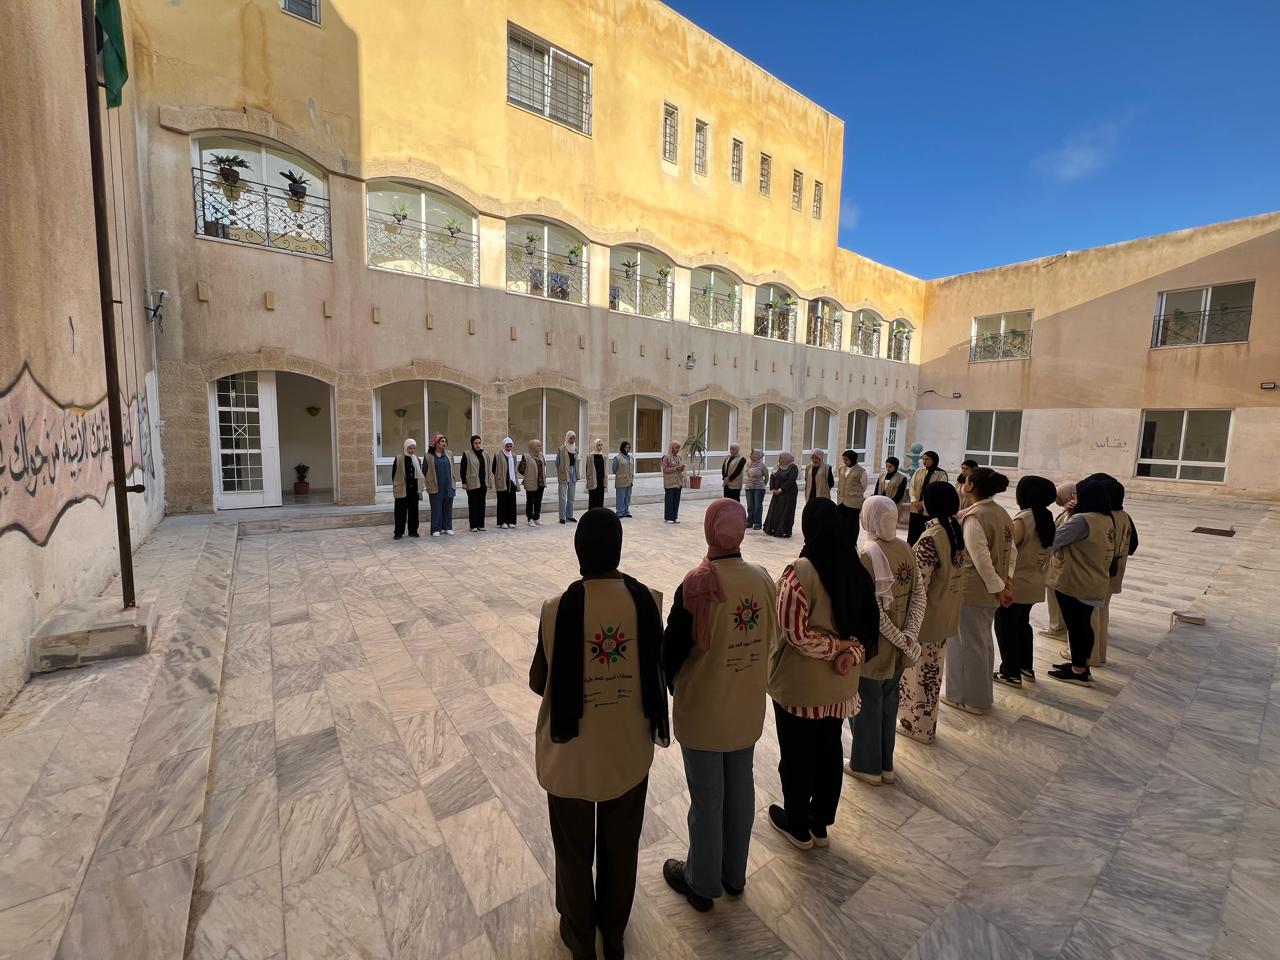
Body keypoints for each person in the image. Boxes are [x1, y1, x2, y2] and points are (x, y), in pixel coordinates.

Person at [528, 509, 668, 960]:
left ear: (579, 552)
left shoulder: (556, 609)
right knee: (621, 845)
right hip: (628, 751)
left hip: (571, 756)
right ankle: (614, 932)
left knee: (572, 851)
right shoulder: (648, 601)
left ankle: (579, 934)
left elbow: (539, 682)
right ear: (619, 549)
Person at [660, 499, 776, 910]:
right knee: (740, 789)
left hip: (706, 710)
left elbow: (670, 654)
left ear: (710, 530)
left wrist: (670, 683)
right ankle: (733, 874)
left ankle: (702, 881)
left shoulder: (697, 585)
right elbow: (772, 638)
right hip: (746, 705)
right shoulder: (762, 579)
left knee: (708, 797)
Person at [766, 498, 880, 849]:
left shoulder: (800, 572)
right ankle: (820, 822)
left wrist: (836, 648)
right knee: (829, 751)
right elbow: (868, 628)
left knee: (797, 756)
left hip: (801, 687)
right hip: (840, 686)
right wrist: (851, 651)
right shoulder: (855, 568)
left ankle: (798, 825)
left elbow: (795, 635)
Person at [848, 496, 925, 784]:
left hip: (875, 648)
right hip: (900, 648)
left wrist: (901, 639)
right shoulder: (906, 548)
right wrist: (909, 636)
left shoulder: (865, 557)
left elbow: (874, 614)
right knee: (889, 704)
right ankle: (886, 765)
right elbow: (919, 596)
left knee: (866, 705)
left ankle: (867, 767)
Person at [898, 482, 967, 744]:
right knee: (932, 673)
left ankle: (917, 727)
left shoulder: (931, 538)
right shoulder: (953, 529)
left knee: (918, 675)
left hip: (925, 619)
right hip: (944, 613)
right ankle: (926, 725)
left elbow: (919, 585)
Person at [941, 466, 1013, 714]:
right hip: (991, 587)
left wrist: (999, 588)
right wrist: (1005, 583)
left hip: (972, 590)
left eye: (967, 480)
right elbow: (1011, 553)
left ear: (970, 486)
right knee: (981, 642)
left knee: (966, 645)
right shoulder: (1000, 513)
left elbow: (980, 559)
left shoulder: (975, 518)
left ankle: (967, 698)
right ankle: (980, 696)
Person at [1046, 475, 1120, 685]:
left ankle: (1078, 671)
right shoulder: (1106, 518)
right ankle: (1081, 665)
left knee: (1077, 626)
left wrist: (1069, 516)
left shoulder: (1082, 520)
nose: (1075, 499)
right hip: (1094, 579)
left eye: (1078, 495)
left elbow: (1054, 539)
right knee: (1084, 625)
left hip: (1075, 581)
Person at [993, 476, 1057, 687]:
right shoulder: (1046, 517)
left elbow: (1006, 551)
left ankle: (1010, 672)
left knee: (1006, 627)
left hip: (1015, 584)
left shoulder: (1023, 521)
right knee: (1022, 625)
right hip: (1033, 582)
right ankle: (1025, 667)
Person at [1074, 475, 1138, 667]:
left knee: (1090, 615)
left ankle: (1091, 656)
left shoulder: (1102, 518)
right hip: (1116, 569)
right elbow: (1133, 545)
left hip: (1099, 570)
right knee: (1102, 610)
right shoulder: (1125, 516)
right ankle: (1100, 653)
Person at [1039, 482, 1076, 645]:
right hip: (1058, 561)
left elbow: (1059, 536)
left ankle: (1057, 628)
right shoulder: (1067, 511)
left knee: (1055, 595)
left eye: (1058, 496)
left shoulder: (1072, 514)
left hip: (1060, 562)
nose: (1056, 499)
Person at [907, 451, 949, 546]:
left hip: (929, 510)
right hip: (915, 509)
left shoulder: (941, 474)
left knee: (926, 537)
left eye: (927, 459)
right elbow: (912, 487)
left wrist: (923, 503)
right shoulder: (919, 472)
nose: (924, 461)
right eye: (923, 459)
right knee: (913, 536)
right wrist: (914, 501)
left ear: (934, 460)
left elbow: (939, 492)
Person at [422, 433, 457, 536]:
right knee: (436, 508)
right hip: (435, 486)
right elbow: (424, 471)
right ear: (436, 443)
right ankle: (435, 529)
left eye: (445, 441)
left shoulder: (449, 454)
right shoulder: (428, 456)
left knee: (448, 507)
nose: (444, 443)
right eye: (442, 441)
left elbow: (452, 468)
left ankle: (447, 527)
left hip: (448, 486)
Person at [390, 438, 424, 539]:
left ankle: (413, 531)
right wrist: (396, 485)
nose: (412, 450)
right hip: (402, 488)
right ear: (405, 448)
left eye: (414, 448)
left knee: (414, 511)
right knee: (400, 511)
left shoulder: (417, 460)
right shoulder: (399, 458)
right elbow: (394, 474)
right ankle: (398, 532)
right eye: (410, 448)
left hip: (414, 490)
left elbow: (419, 474)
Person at [460, 434, 492, 532]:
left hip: (483, 483)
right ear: (472, 444)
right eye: (475, 443)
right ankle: (473, 525)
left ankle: (481, 525)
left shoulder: (485, 454)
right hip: (472, 483)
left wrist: (489, 481)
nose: (478, 445)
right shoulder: (467, 454)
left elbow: (488, 469)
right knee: (473, 505)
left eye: (479, 443)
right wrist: (464, 482)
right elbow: (463, 469)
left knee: (482, 504)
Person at [763, 453, 799, 538]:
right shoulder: (777, 466)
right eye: (779, 458)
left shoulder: (793, 468)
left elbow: (791, 480)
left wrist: (781, 489)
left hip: (789, 493)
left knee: (786, 511)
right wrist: (772, 488)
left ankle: (785, 531)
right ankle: (773, 529)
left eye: (781, 458)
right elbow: (772, 477)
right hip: (777, 493)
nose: (779, 460)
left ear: (787, 459)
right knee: (775, 511)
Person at [835, 449, 867, 546]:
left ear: (852, 459)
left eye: (846, 459)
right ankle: (842, 542)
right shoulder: (841, 468)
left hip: (854, 502)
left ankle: (852, 543)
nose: (845, 461)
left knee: (852, 524)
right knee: (841, 522)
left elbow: (864, 486)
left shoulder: (861, 471)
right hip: (841, 500)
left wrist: (854, 493)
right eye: (844, 459)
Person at [519, 439, 547, 526]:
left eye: (540, 445)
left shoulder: (541, 455)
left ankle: (536, 518)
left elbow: (544, 466)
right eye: (538, 445)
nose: (540, 447)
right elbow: (520, 469)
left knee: (538, 501)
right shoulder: (526, 456)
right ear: (533, 446)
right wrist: (528, 475)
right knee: (530, 501)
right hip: (531, 482)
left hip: (541, 482)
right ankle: (530, 518)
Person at [493, 438, 519, 529]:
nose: (509, 448)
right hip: (502, 481)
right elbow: (494, 469)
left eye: (510, 446)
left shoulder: (513, 455)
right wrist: (499, 477)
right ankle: (502, 522)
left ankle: (511, 521)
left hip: (512, 482)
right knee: (502, 502)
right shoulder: (498, 455)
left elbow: (514, 468)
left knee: (511, 502)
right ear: (504, 446)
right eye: (507, 446)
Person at [743, 449, 769, 531]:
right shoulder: (749, 464)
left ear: (757, 455)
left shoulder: (762, 465)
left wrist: (762, 485)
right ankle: (749, 522)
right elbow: (748, 475)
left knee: (757, 506)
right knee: (750, 506)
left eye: (752, 453)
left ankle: (757, 523)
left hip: (759, 488)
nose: (750, 455)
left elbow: (766, 477)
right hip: (749, 487)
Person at [557, 431, 579, 524]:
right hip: (564, 473)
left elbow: (576, 461)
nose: (572, 440)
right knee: (562, 497)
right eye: (571, 438)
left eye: (574, 438)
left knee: (571, 496)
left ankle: (569, 515)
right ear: (567, 438)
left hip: (573, 472)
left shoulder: (576, 449)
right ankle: (562, 517)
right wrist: (561, 470)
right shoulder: (561, 449)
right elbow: (557, 462)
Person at [662, 441, 686, 523]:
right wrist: (675, 468)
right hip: (669, 483)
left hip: (678, 481)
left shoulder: (679, 457)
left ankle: (675, 517)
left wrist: (681, 468)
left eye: (679, 448)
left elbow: (679, 470)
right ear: (672, 448)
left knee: (676, 500)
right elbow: (665, 470)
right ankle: (668, 517)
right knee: (669, 500)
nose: (678, 450)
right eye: (676, 448)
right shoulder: (666, 458)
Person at [612, 440, 634, 518]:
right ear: (622, 448)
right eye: (626, 448)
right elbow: (614, 469)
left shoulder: (631, 458)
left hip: (629, 481)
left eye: (629, 448)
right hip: (621, 481)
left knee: (627, 497)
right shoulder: (617, 458)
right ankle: (619, 512)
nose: (627, 449)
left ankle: (626, 511)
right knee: (620, 497)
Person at [585, 438, 608, 511]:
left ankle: (599, 515)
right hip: (593, 481)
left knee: (600, 499)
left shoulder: (603, 456)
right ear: (595, 445)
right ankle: (592, 515)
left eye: (601, 445)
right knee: (593, 500)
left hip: (601, 482)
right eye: (598, 445)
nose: (600, 447)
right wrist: (589, 480)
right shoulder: (590, 456)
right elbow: (587, 470)